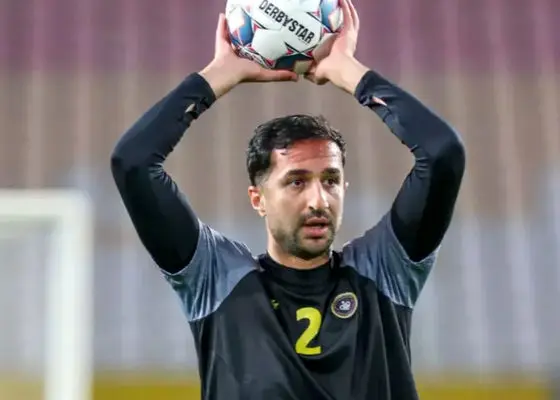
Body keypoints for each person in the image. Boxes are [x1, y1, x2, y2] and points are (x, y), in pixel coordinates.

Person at [111, 0, 465, 398]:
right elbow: (133, 162)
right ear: (258, 198)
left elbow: (442, 153)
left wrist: (350, 73)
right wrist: (218, 76)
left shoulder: (384, 270)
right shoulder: (215, 278)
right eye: (296, 182)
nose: (318, 200)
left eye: (330, 180)